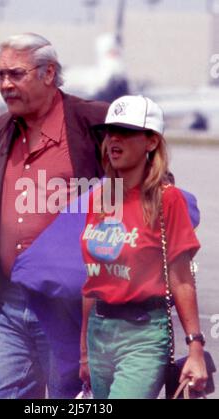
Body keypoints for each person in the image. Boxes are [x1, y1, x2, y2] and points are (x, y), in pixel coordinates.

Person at [0, 32, 109, 399]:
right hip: (11, 303)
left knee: (67, 400)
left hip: (71, 306)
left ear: (49, 73)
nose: (5, 84)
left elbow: (146, 172)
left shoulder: (90, 120)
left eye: (15, 74)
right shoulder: (4, 127)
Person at [79, 95, 208, 399]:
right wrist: (83, 349)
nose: (114, 139)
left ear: (151, 142)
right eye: (110, 131)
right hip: (99, 332)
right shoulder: (100, 198)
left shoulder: (168, 199)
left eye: (125, 132)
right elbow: (91, 279)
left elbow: (182, 279)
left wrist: (195, 347)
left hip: (143, 334)